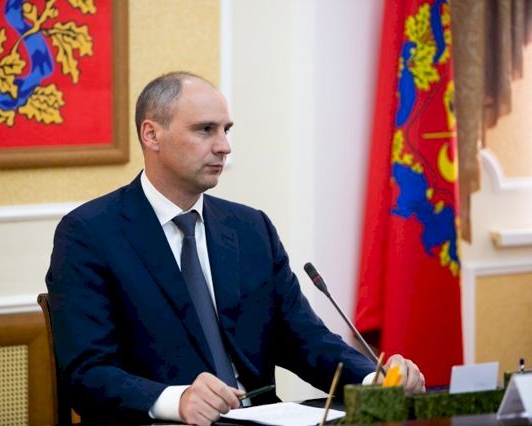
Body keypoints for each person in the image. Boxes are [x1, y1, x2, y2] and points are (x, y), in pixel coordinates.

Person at [45, 71, 425, 425]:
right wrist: (177, 400)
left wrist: (374, 380)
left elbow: (304, 338)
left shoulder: (250, 228)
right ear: (152, 135)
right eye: (205, 130)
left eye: (226, 130)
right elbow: (87, 372)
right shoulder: (89, 234)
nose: (224, 147)